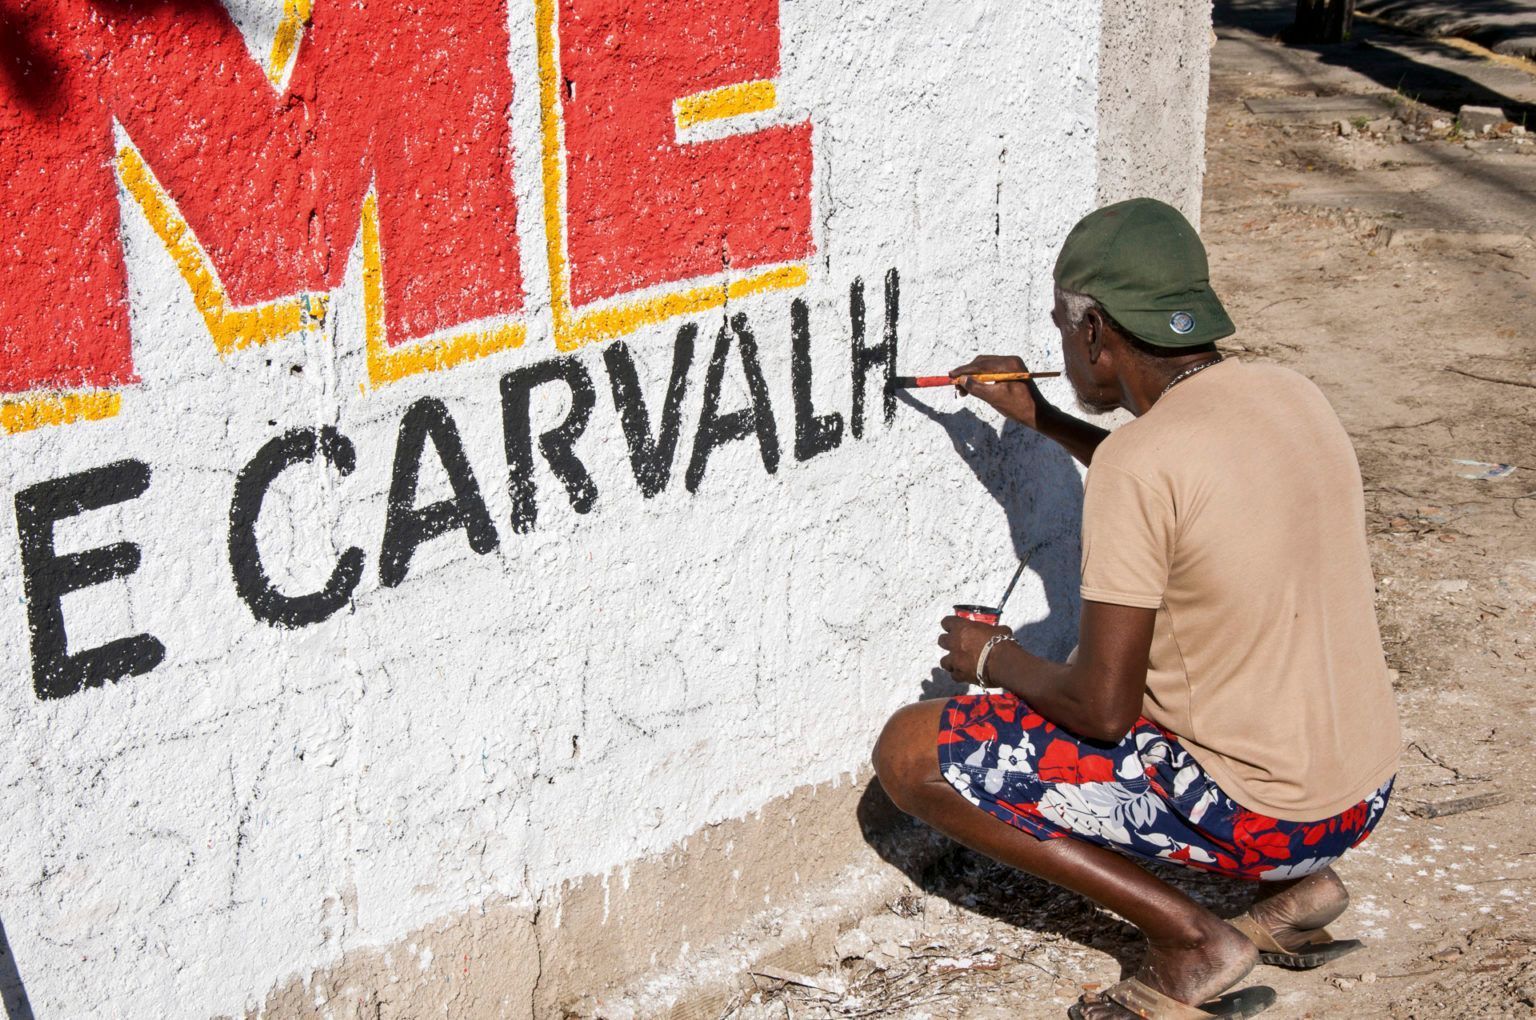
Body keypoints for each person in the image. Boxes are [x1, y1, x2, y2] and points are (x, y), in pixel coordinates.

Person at [872, 198, 1401, 1020]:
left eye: (1062, 327)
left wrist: (990, 659)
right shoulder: (1292, 394)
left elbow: (1103, 710)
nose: (1062, 349)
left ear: (1094, 333)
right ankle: (1300, 892)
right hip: (1360, 797)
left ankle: (1192, 941)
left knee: (913, 752)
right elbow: (1179, 484)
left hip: (1270, 816)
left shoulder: (1139, 466)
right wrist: (1042, 418)